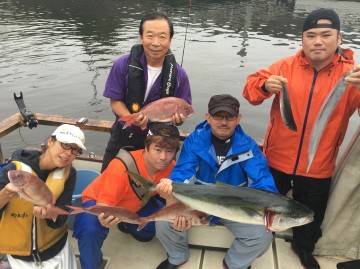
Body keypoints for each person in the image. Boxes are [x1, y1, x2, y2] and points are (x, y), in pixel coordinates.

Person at [242, 8, 360, 269]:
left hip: (318, 165)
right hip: (275, 159)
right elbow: (249, 92)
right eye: (311, 35)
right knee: (261, 210)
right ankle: (250, 245)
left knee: (310, 216)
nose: (317, 41)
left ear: (339, 37)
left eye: (325, 35)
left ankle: (303, 247)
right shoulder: (284, 66)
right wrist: (263, 86)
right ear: (302, 39)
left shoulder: (352, 76)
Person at [154, 94, 278, 269]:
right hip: (198, 203)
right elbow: (184, 171)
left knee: (263, 236)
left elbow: (262, 179)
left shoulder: (248, 147)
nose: (223, 121)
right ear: (208, 117)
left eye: (230, 117)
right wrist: (172, 187)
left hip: (235, 206)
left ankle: (235, 264)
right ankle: (177, 257)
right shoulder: (194, 141)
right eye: (218, 116)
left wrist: (269, 205)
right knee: (163, 223)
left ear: (238, 119)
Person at [72, 123, 181, 269]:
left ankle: (127, 225)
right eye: (157, 149)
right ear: (146, 146)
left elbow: (171, 205)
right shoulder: (120, 167)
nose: (163, 157)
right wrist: (105, 221)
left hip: (136, 203)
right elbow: (104, 206)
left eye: (169, 151)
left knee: (152, 230)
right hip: (98, 202)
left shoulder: (172, 169)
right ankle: (91, 265)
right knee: (90, 230)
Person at [101, 11, 192, 172]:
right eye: (150, 36)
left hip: (161, 143)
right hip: (124, 135)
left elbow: (184, 110)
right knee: (108, 183)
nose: (156, 43)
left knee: (158, 191)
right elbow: (115, 101)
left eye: (162, 37)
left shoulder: (179, 75)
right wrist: (132, 119)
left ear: (170, 40)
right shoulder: (123, 64)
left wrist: (179, 120)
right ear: (141, 37)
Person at [0, 124, 86, 269]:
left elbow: (61, 217)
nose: (69, 153)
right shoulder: (14, 171)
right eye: (65, 144)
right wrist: (6, 194)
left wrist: (48, 215)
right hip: (21, 257)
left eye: (76, 150)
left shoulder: (70, 173)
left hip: (57, 248)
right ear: (50, 142)